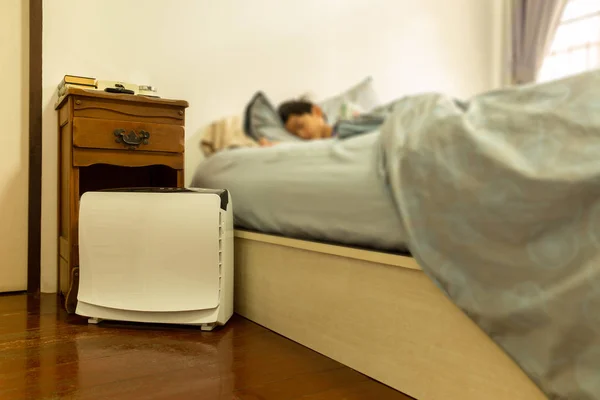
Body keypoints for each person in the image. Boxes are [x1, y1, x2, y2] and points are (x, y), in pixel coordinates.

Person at [259, 100, 334, 147]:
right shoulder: (313, 147)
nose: (301, 134)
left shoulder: (341, 129)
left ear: (317, 112)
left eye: (300, 125)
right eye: (296, 134)